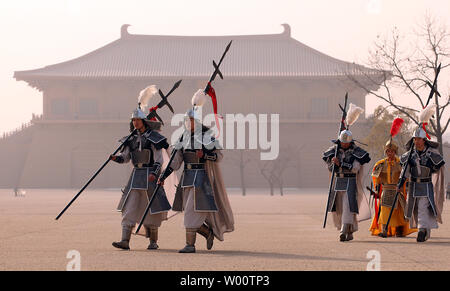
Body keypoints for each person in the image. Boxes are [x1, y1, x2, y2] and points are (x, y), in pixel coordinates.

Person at [158, 90, 234, 253]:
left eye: (192, 120)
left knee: (192, 212)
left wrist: (205, 154)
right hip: (187, 178)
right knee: (189, 211)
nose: (189, 123)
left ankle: (190, 245)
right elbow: (175, 162)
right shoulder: (182, 138)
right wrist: (163, 176)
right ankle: (207, 232)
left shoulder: (207, 136)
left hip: (202, 179)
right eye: (187, 120)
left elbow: (218, 156)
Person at [110, 106, 171, 250]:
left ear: (143, 120)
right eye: (133, 120)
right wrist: (115, 158)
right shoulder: (130, 139)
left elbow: (159, 159)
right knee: (129, 207)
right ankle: (125, 240)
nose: (135, 122)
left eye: (138, 119)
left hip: (150, 176)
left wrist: (154, 174)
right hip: (136, 176)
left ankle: (153, 242)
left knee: (152, 208)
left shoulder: (154, 138)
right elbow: (125, 158)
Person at [323, 130, 371, 241]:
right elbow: (330, 168)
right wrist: (333, 164)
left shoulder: (357, 152)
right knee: (339, 208)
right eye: (342, 142)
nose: (344, 144)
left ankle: (344, 230)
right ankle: (349, 230)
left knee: (348, 206)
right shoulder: (334, 151)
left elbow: (355, 168)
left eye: (346, 142)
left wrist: (341, 163)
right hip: (338, 181)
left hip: (351, 181)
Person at [401, 127, 445, 242]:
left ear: (424, 140)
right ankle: (424, 229)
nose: (417, 141)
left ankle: (421, 230)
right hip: (413, 185)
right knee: (415, 208)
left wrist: (432, 166)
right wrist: (401, 182)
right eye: (415, 139)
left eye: (419, 139)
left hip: (426, 185)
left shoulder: (431, 153)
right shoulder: (410, 154)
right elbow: (405, 170)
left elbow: (437, 167)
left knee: (423, 207)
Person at [369, 139, 417, 237]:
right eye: (388, 151)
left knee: (399, 213)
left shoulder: (401, 163)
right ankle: (384, 230)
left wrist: (406, 188)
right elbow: (376, 178)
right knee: (385, 212)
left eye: (392, 151)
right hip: (386, 191)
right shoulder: (380, 164)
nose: (389, 153)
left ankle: (399, 231)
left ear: (395, 152)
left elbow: (407, 176)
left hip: (398, 190)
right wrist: (377, 190)